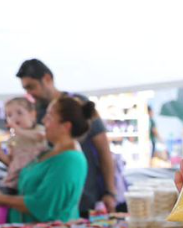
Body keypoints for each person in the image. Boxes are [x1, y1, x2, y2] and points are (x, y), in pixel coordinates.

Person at [15, 59, 118, 214]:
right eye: (25, 89)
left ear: (47, 79)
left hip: (86, 197)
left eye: (31, 87)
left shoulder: (77, 104)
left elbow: (103, 148)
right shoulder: (37, 112)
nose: (29, 93)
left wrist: (110, 192)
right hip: (53, 200)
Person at [0, 96, 89, 224]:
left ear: (66, 126)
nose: (43, 120)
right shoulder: (47, 153)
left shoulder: (69, 159)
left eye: (49, 117)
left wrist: (2, 199)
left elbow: (44, 205)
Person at [0, 97, 47, 226]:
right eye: (9, 115)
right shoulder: (14, 139)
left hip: (32, 179)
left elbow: (40, 137)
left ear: (32, 114)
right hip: (15, 179)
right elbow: (12, 164)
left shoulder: (38, 131)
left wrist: (17, 130)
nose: (15, 118)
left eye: (19, 113)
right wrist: (1, 155)